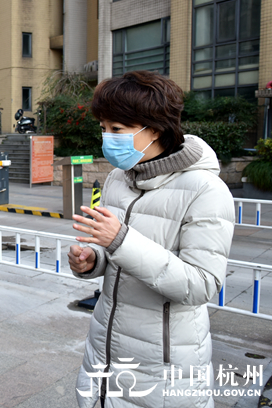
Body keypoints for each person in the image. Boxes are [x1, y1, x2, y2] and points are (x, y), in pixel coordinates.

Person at [68, 71, 234, 408]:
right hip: (106, 350)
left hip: (165, 365)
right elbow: (114, 251)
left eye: (117, 130)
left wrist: (120, 242)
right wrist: (93, 260)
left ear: (154, 128)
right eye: (103, 128)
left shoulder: (206, 190)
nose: (107, 138)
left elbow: (201, 284)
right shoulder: (119, 178)